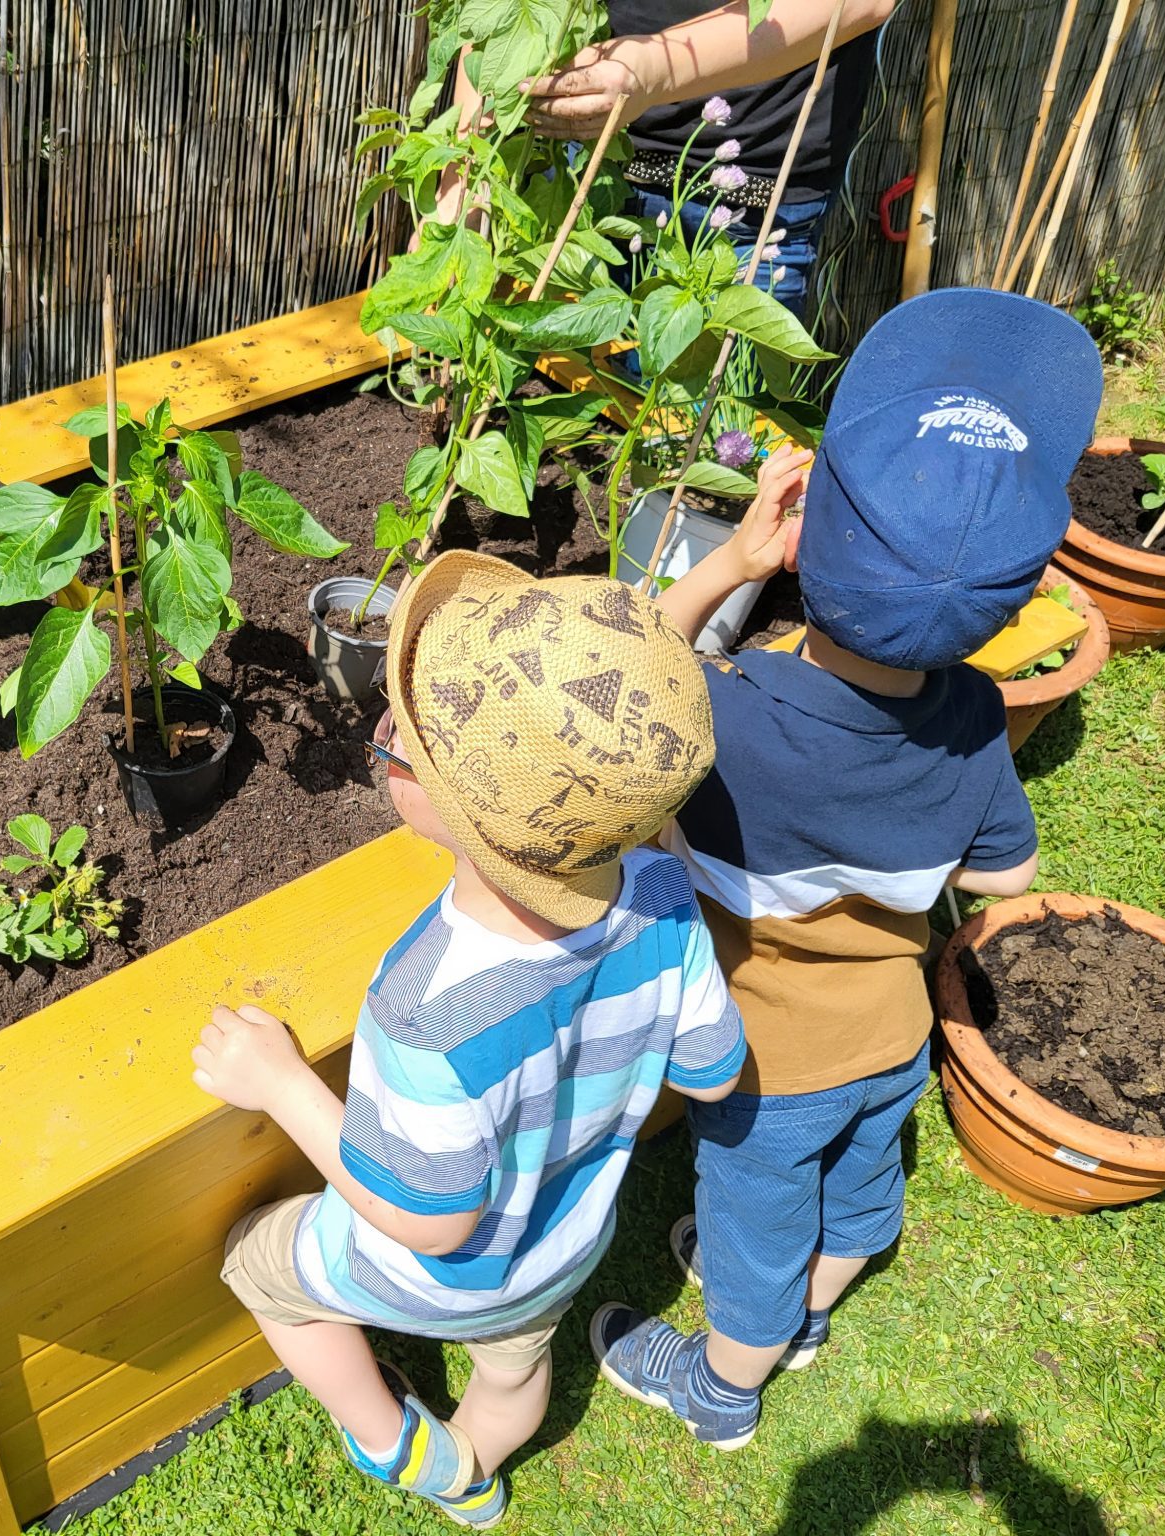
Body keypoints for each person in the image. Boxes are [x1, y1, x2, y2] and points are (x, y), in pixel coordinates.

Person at [587, 288, 1104, 1449]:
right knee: (860, 1198)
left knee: (753, 1236)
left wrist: (730, 558)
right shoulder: (974, 716)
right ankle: (815, 1316)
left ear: (807, 543)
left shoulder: (728, 715)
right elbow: (1008, 879)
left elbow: (614, 680)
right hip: (892, 1034)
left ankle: (724, 1383)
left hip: (766, 1071)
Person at [192, 556, 747, 1526]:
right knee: (512, 1368)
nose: (384, 729)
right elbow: (711, 1069)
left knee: (259, 1266)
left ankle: (399, 1446)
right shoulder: (661, 896)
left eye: (405, 738)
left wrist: (281, 1084)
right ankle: (481, 1459)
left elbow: (426, 1222)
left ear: (464, 818)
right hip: (562, 1247)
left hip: (440, 1266)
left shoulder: (426, 1011)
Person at [520, 0, 898, 318]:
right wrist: (463, 185)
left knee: (712, 398)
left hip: (746, 202)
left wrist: (649, 74)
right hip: (588, 168)